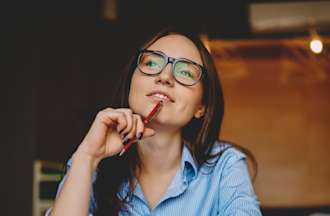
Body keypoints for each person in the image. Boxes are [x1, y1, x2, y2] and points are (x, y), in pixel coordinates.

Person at [47, 28, 262, 216]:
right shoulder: (89, 166)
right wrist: (87, 157)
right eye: (151, 63)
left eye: (186, 71)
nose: (165, 76)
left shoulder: (225, 166)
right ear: (131, 82)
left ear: (201, 107)